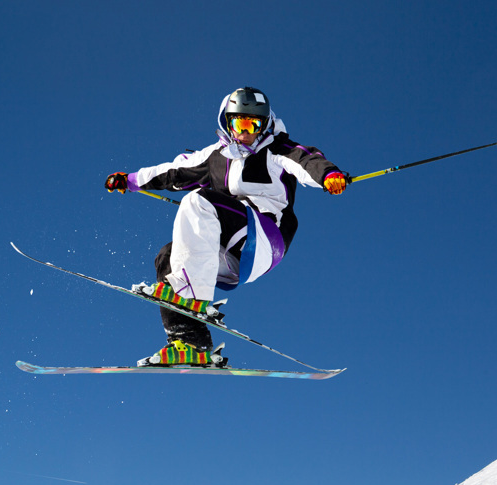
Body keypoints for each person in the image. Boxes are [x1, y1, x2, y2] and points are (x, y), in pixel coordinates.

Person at [105, 87, 348, 367]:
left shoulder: (277, 150)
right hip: (231, 255)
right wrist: (131, 180)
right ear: (227, 123)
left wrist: (328, 175)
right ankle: (191, 342)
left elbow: (307, 160)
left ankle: (192, 297)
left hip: (266, 238)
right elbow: (174, 171)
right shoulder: (216, 156)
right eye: (240, 123)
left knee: (197, 201)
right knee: (167, 257)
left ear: (265, 124)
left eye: (253, 124)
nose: (246, 131)